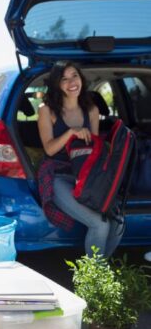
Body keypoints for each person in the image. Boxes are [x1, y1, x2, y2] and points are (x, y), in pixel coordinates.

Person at [37, 60, 122, 258]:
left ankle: (98, 273)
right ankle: (95, 282)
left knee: (117, 221)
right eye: (64, 79)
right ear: (57, 84)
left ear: (81, 78)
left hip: (85, 175)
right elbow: (49, 149)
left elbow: (95, 150)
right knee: (99, 224)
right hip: (57, 176)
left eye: (74, 75)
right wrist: (71, 133)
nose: (71, 82)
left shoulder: (91, 111)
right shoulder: (46, 110)